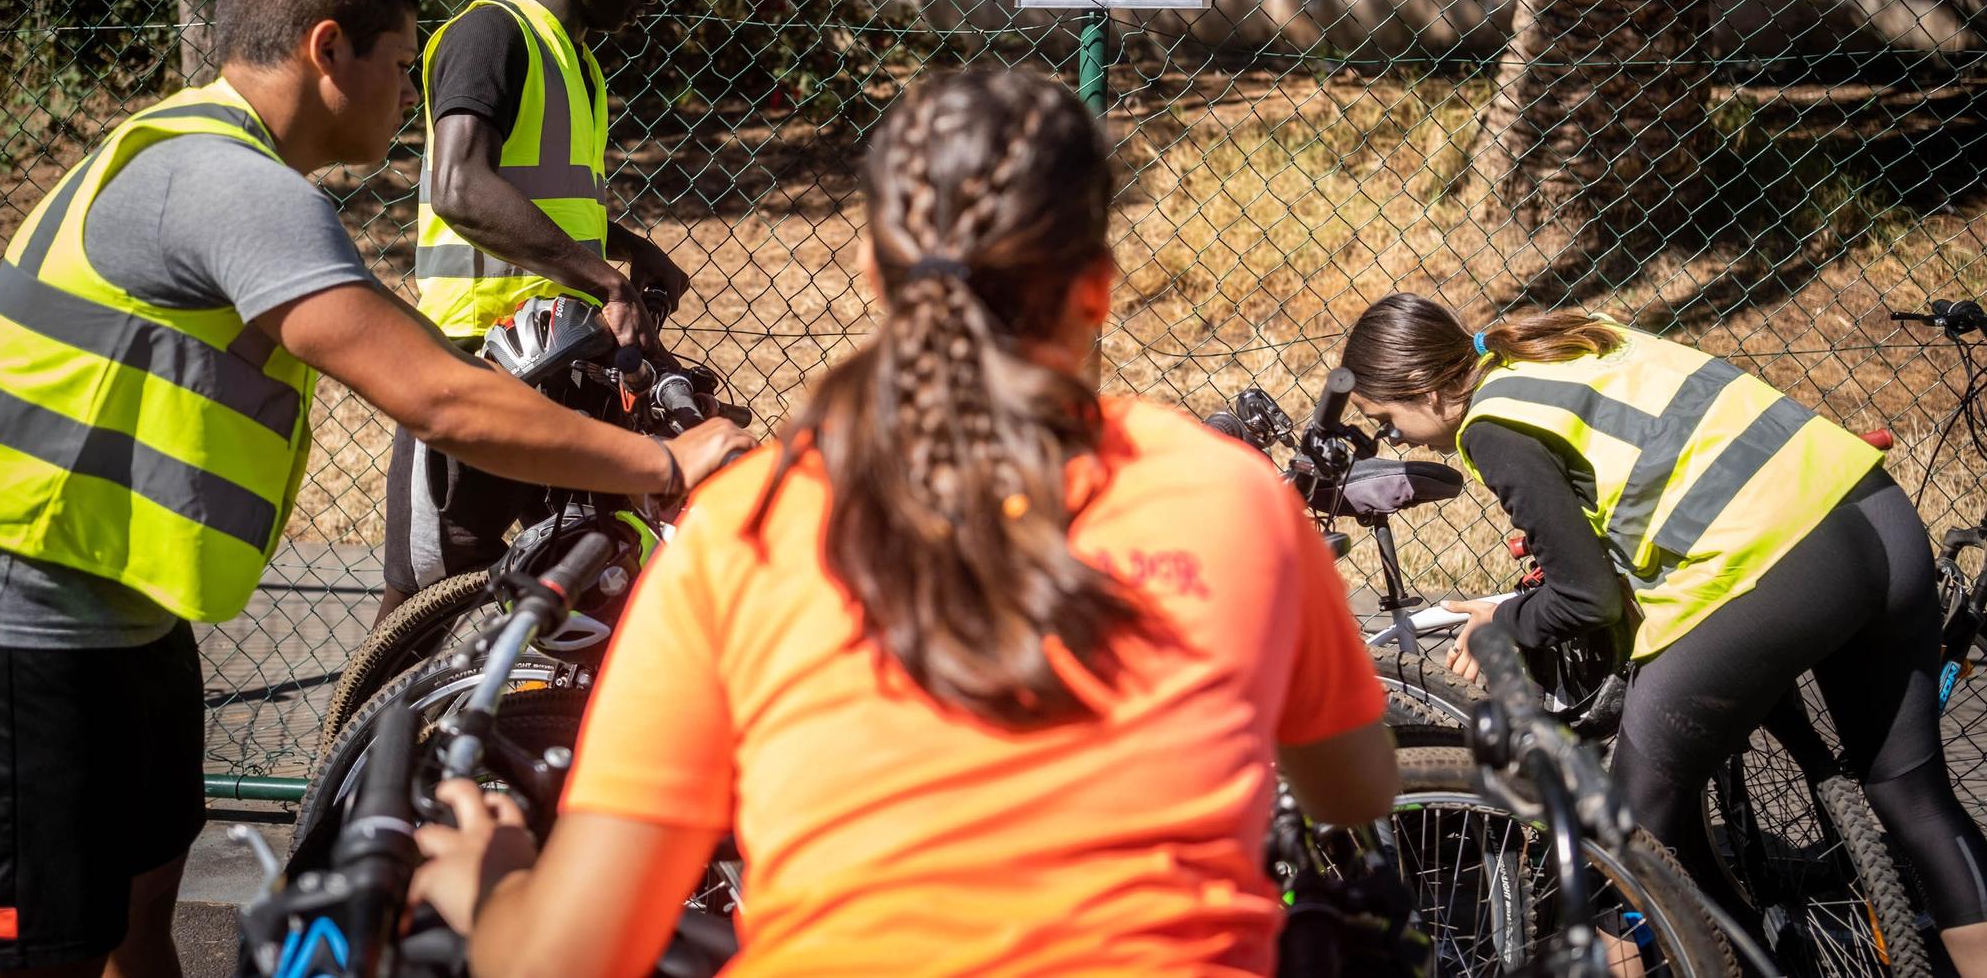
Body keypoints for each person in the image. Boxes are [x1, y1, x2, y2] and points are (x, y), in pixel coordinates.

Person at [410, 67, 1401, 976]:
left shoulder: (744, 532)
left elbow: (561, 961)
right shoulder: (1231, 498)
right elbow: (1354, 790)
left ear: (869, 273)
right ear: (1095, 287)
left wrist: (489, 880)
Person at [0, 0, 750, 978]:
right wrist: (666, 467)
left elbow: (429, 352)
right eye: (400, 67)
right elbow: (435, 397)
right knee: (43, 950)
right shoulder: (231, 185)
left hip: (120, 607)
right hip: (28, 609)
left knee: (137, 914)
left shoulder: (204, 156)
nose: (411, 97)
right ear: (326, 49)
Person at [1340, 292, 1987, 972]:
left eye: (1387, 421)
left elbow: (1585, 598)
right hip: (1871, 509)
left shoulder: (1491, 424)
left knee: (1622, 838)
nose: (1397, 439)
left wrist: (1503, 625)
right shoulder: (1564, 344)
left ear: (1422, 387)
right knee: (1912, 795)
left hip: (1776, 563)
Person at [382, 0, 690, 618]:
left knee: (587, 575)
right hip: (476, 364)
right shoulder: (493, 34)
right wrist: (607, 283)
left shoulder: (576, 61)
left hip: (561, 359)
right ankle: (366, 734)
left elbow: (540, 197)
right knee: (430, 597)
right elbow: (461, 186)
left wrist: (622, 245)